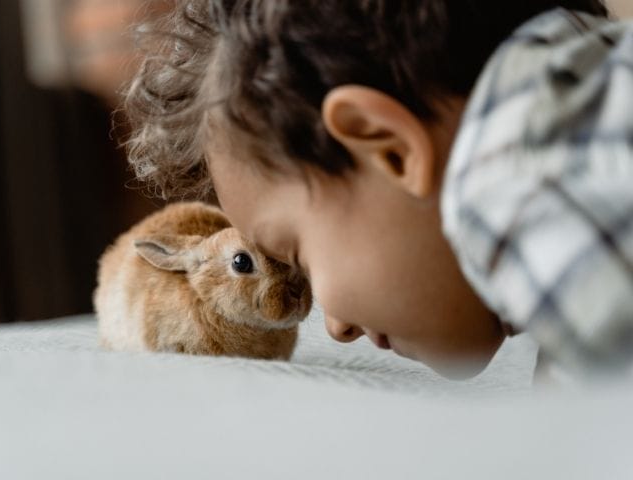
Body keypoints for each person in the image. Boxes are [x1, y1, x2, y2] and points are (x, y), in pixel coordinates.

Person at [123, 0, 633, 380]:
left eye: (298, 255)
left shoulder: (515, 178)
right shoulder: (580, 71)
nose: (336, 326)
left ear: (390, 150)